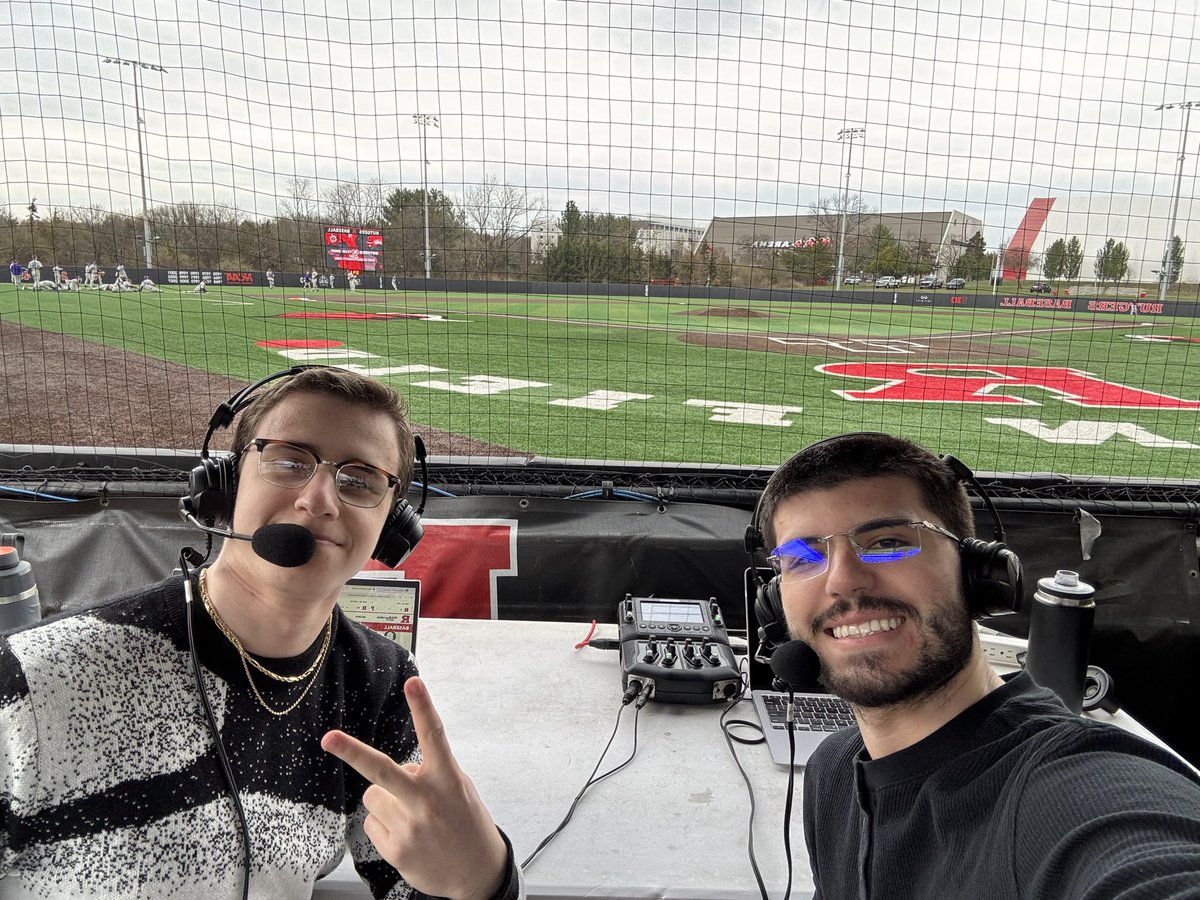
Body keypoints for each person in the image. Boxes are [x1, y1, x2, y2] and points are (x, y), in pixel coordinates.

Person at [0, 367, 523, 900]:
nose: (319, 500)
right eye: (290, 461)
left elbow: (419, 876)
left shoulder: (379, 681)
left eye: (359, 479)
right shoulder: (38, 677)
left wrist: (485, 879)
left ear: (392, 525)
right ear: (226, 482)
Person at [753, 432, 1200, 898]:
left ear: (977, 576)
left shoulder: (1068, 787)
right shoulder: (833, 771)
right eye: (803, 558)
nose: (842, 580)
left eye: (887, 541)